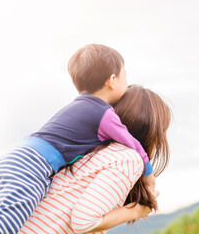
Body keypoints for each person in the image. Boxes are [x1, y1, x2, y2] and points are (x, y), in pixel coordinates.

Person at [0, 44, 155, 234]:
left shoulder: (76, 105)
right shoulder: (104, 113)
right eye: (125, 76)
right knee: (5, 223)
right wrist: (148, 173)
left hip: (15, 158)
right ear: (112, 80)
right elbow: (132, 143)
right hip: (32, 166)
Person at [20, 85, 171, 233]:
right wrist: (137, 211)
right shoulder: (128, 159)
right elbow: (84, 222)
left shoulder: (89, 150)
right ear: (150, 134)